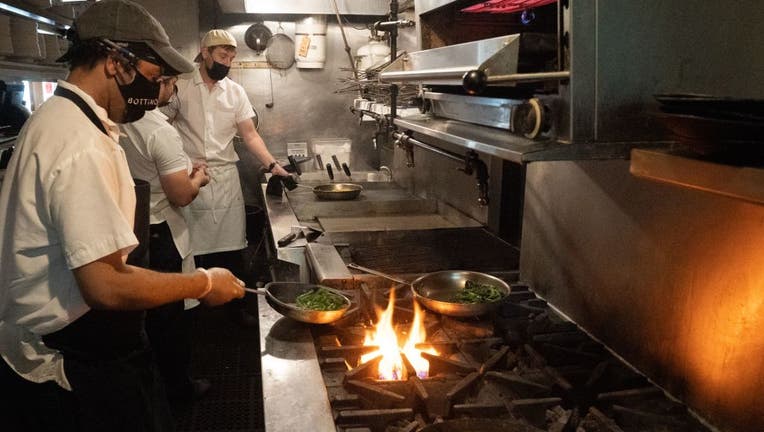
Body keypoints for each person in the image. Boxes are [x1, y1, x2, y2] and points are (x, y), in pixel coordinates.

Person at [0, 1, 246, 431]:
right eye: (153, 78)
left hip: (77, 342)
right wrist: (205, 282)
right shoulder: (79, 142)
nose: (154, 94)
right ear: (116, 62)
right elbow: (105, 285)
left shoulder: (59, 118)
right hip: (69, 360)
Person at [163, 29, 288, 327]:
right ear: (205, 53)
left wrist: (273, 165)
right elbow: (161, 125)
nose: (227, 62)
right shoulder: (180, 85)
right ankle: (196, 314)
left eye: (231, 57)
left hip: (225, 178)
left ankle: (234, 312)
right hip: (190, 176)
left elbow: (250, 134)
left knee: (232, 247)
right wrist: (176, 161)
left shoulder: (234, 92)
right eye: (222, 56)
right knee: (191, 250)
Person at [120, 74, 212, 403]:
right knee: (170, 319)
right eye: (171, 83)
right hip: (160, 233)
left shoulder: (118, 121)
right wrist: (198, 177)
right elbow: (181, 195)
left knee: (145, 320)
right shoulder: (158, 130)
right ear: (160, 83)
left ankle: (152, 390)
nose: (173, 91)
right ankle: (178, 391)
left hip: (127, 230)